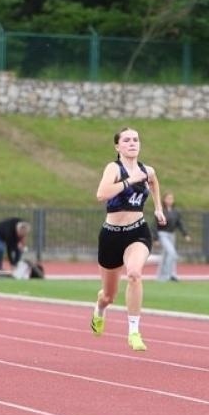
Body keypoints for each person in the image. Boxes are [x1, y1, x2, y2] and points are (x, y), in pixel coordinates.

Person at [91, 128, 164, 352]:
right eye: (126, 140)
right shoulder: (114, 168)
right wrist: (129, 181)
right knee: (108, 296)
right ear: (118, 146)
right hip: (111, 234)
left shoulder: (147, 170)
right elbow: (101, 194)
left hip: (137, 231)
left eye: (135, 140)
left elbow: (154, 183)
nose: (132, 143)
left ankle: (134, 331)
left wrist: (159, 208)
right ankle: (99, 309)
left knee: (134, 274)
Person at [154, 192, 187, 282]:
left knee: (165, 255)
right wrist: (155, 238)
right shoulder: (160, 210)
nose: (170, 200)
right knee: (172, 253)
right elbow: (155, 225)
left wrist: (185, 234)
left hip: (172, 235)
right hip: (162, 234)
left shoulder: (176, 211)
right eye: (168, 198)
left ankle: (169, 275)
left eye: (171, 198)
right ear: (164, 200)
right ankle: (166, 275)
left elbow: (179, 224)